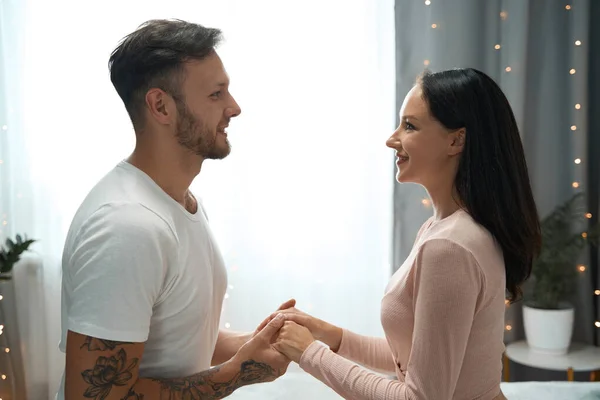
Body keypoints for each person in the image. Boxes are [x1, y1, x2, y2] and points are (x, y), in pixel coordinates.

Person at [262, 68, 541, 399]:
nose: (391, 139)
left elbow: (419, 397)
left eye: (409, 126)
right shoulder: (444, 229)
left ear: (456, 140)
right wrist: (331, 336)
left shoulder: (449, 246)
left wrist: (310, 354)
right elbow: (416, 358)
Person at [58, 19, 293, 400]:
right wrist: (236, 374)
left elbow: (174, 336)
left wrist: (255, 343)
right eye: (216, 94)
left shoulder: (180, 204)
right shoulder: (127, 225)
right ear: (161, 106)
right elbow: (94, 396)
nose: (234, 108)